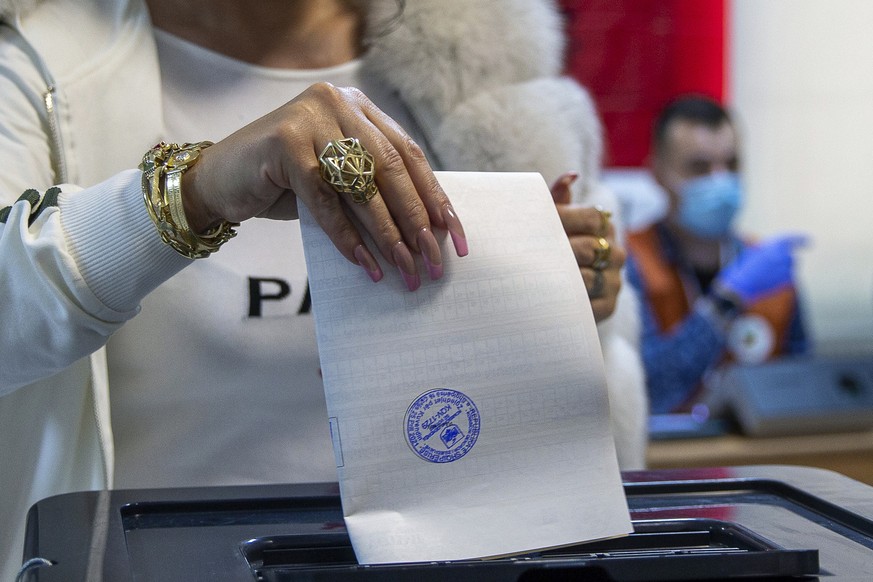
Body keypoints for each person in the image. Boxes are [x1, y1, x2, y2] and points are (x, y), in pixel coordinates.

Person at [0, 0, 647, 576]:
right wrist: (190, 192)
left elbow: (579, 315)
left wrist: (580, 289)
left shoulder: (486, 59)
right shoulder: (38, 62)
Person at [625, 95, 808, 414]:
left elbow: (810, 390)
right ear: (657, 173)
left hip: (759, 456)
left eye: (732, 164)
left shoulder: (766, 266)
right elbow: (649, 391)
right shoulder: (629, 262)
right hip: (669, 458)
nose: (720, 180)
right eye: (699, 167)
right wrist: (725, 302)